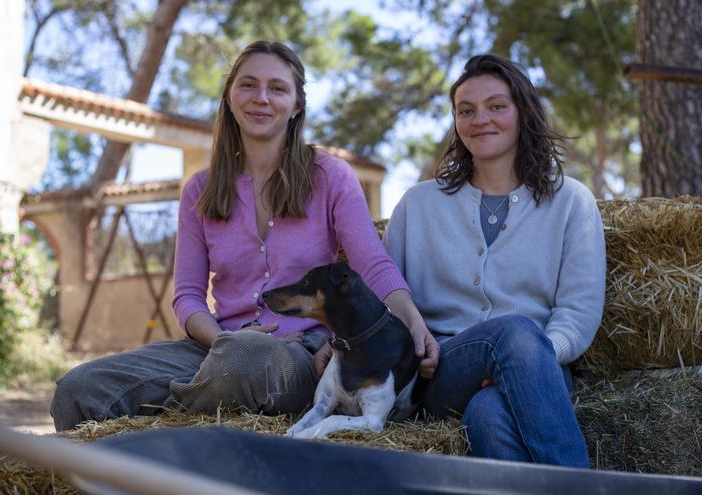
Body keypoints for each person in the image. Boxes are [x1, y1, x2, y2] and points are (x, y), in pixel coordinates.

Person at [51, 41, 438, 432]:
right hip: (214, 347)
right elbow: (186, 297)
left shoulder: (330, 177)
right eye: (248, 85)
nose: (261, 98)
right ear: (230, 98)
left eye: (278, 88)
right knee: (77, 390)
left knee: (247, 358)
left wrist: (412, 320)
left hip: (303, 355)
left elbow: (371, 264)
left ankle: (163, 422)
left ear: (297, 105)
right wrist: (221, 340)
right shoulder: (199, 191)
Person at [383, 54, 606, 467]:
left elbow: (578, 310)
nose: (479, 118)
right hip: (443, 371)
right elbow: (387, 299)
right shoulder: (418, 205)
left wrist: (524, 363)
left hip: (541, 370)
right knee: (515, 332)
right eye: (466, 111)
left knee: (487, 413)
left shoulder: (572, 201)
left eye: (496, 106)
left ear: (524, 113)